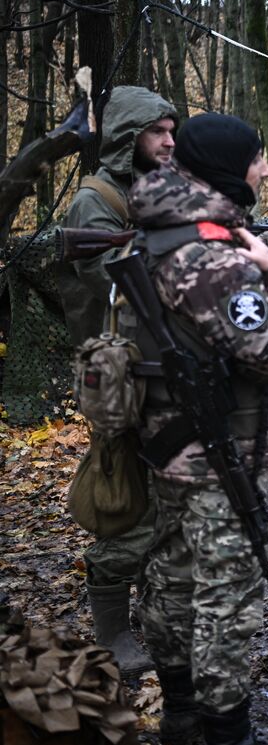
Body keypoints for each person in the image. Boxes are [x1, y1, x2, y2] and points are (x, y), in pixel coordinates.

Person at [126, 113, 268, 745]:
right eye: (259, 161)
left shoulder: (160, 232)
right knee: (225, 595)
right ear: (233, 169)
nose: (266, 171)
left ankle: (180, 709)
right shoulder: (214, 257)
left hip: (165, 444)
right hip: (212, 453)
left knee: (171, 575)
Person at [56, 86, 177, 678]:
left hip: (149, 367)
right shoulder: (95, 201)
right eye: (158, 132)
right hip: (113, 376)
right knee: (125, 499)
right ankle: (110, 631)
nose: (170, 142)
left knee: (164, 496)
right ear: (131, 138)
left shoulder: (144, 191)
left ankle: (156, 610)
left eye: (172, 131)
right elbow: (114, 279)